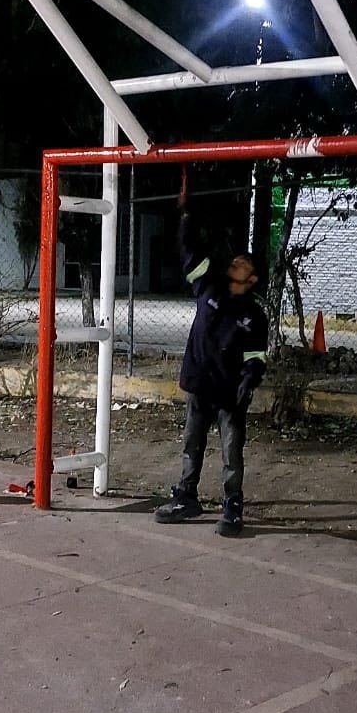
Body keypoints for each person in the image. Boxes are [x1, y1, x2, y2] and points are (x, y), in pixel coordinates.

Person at [156, 176, 268, 537]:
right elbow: (189, 251)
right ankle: (187, 497)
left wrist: (249, 380)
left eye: (243, 263)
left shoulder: (254, 315)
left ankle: (232, 506)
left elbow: (256, 355)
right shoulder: (209, 285)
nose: (236, 262)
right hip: (200, 387)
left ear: (252, 279)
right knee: (192, 444)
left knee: (231, 453)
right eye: (236, 259)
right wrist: (186, 215)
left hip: (229, 395)